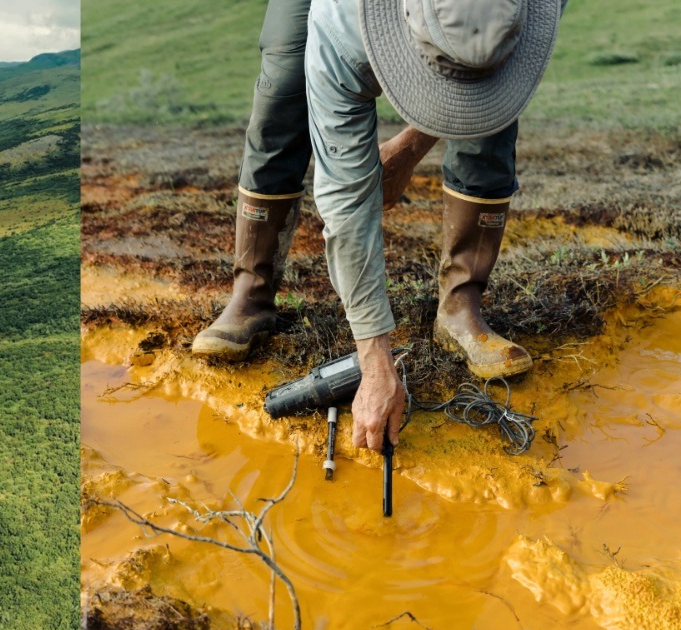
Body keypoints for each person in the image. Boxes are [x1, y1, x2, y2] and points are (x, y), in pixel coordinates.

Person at [191, 0, 562, 452]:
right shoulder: (340, 27)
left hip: (470, 25)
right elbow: (346, 200)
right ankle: (252, 293)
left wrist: (410, 145)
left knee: (490, 120)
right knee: (283, 87)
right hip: (351, 21)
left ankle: (460, 307)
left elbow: (477, 74)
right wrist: (375, 361)